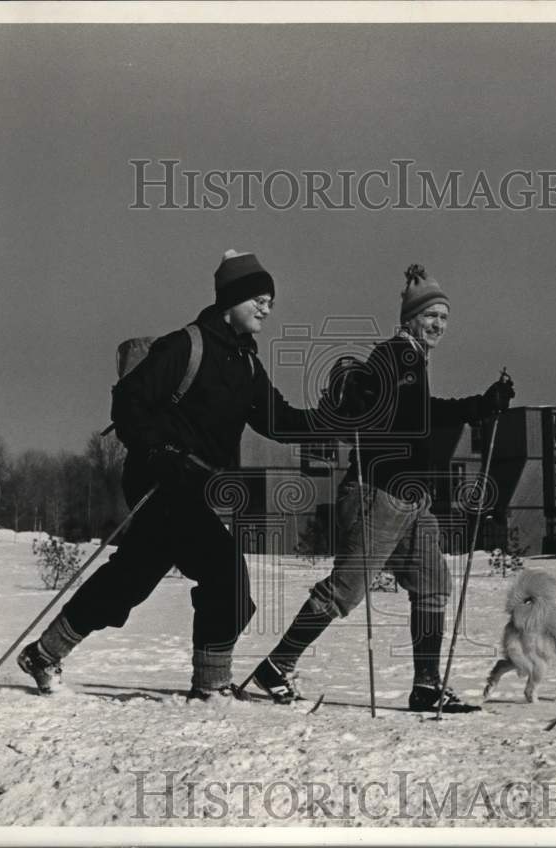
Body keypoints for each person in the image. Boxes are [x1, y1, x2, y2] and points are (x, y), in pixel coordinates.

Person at [17, 249, 337, 701]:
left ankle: (44, 653)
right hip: (158, 479)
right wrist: (160, 451)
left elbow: (279, 420)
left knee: (131, 577)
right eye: (258, 298)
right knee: (225, 575)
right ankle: (211, 688)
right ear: (231, 299)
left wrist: (336, 418)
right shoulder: (186, 345)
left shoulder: (245, 363)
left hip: (194, 488)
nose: (267, 307)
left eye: (270, 300)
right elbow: (128, 401)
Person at [251, 263, 514, 713]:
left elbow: (418, 411)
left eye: (444, 318)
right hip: (379, 494)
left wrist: (479, 406)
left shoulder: (411, 360)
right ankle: (276, 665)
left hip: (410, 498)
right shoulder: (397, 356)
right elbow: (386, 403)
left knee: (432, 582)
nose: (438, 325)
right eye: (430, 316)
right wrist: (361, 388)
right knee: (345, 591)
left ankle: (426, 686)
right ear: (410, 318)